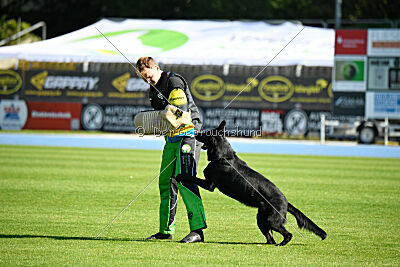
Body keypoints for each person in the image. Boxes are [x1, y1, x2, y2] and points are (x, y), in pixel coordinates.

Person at [136, 56, 207, 243]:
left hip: (188, 136)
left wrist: (160, 118)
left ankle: (198, 231)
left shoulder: (174, 82)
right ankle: (165, 231)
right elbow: (164, 119)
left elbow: (180, 114)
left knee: (185, 181)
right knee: (166, 182)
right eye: (144, 78)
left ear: (156, 68)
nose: (148, 81)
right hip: (171, 138)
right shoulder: (153, 90)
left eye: (149, 76)